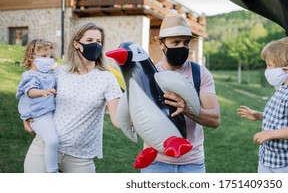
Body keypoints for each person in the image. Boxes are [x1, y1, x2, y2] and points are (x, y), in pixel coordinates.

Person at [23, 22, 122, 173]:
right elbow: (33, 93)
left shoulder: (107, 79)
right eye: (89, 41)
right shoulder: (60, 72)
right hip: (43, 148)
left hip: (80, 158)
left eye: (99, 41)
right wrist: (26, 116)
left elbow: (117, 120)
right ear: (76, 44)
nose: (95, 45)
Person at [141, 15, 221, 173]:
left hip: (192, 163)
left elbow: (215, 119)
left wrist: (187, 109)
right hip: (155, 163)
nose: (182, 48)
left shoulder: (200, 74)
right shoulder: (148, 76)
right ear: (160, 43)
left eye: (186, 42)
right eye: (176, 42)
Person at [237, 37, 288, 173]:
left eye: (270, 65)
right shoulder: (282, 88)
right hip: (269, 158)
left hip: (286, 162)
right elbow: (280, 118)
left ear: (287, 68)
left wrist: (270, 134)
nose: (267, 70)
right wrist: (258, 115)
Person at [16, 39, 58, 173]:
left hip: (49, 113)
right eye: (44, 56)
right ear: (31, 57)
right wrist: (43, 92)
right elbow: (30, 91)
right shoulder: (30, 75)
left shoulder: (48, 74)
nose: (49, 59)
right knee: (51, 141)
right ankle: (52, 171)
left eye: (50, 56)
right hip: (38, 117)